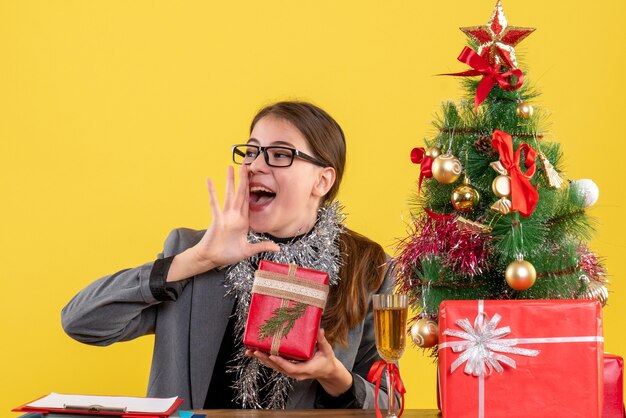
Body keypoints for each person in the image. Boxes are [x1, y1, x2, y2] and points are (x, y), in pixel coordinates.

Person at [61, 101, 397, 410]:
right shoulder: (193, 252)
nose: (254, 166)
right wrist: (197, 260)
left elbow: (388, 403)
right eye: (251, 152)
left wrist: (333, 376)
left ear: (322, 180)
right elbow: (81, 323)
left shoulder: (367, 266)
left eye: (279, 155)